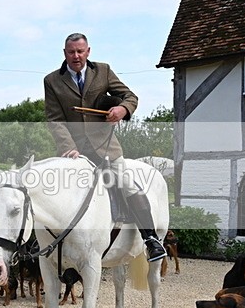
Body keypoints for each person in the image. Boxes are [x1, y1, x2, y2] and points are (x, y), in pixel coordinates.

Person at [44, 33, 166, 262]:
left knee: (129, 185)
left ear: (88, 51)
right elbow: (54, 119)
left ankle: (151, 240)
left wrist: (123, 109)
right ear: (64, 53)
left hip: (106, 147)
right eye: (71, 52)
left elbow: (130, 96)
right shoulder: (51, 81)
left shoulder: (103, 71)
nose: (76, 56)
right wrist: (68, 147)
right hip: (74, 152)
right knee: (52, 192)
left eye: (80, 51)